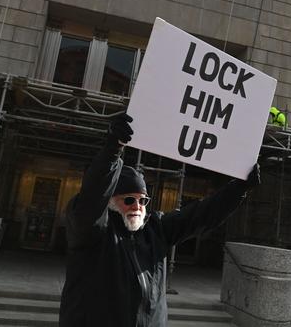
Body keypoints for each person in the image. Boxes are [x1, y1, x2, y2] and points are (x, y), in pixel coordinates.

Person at [59, 113, 260, 327]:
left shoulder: (157, 229)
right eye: (128, 200)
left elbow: (202, 214)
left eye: (142, 200)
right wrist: (112, 151)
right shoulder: (93, 231)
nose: (137, 206)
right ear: (111, 202)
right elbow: (92, 198)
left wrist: (238, 189)